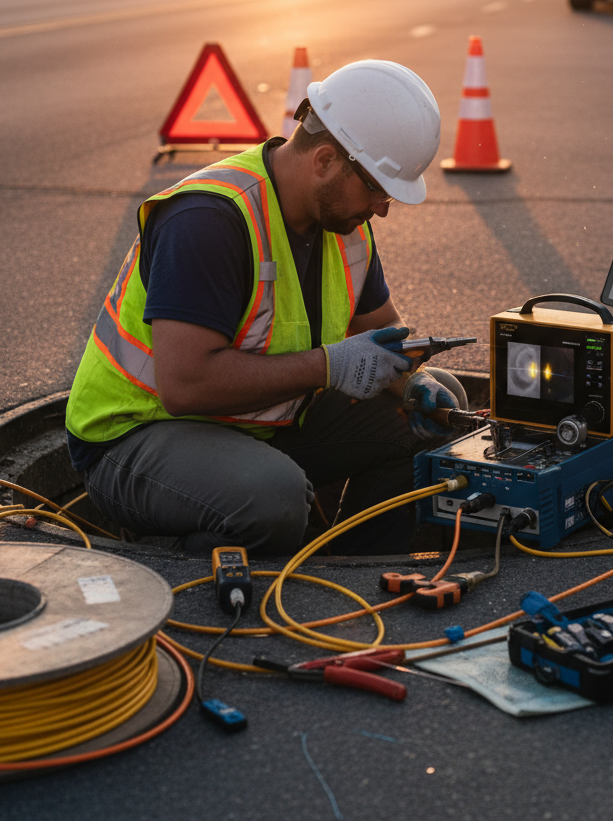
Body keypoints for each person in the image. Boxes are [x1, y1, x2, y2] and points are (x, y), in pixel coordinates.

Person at [65, 60, 461, 557]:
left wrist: (412, 380)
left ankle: (345, 572)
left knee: (442, 403)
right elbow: (185, 386)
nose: (383, 207)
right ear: (323, 162)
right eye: (378, 188)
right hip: (136, 439)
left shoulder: (346, 226)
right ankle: (168, 559)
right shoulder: (208, 220)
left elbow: (386, 335)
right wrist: (327, 367)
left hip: (253, 425)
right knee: (273, 499)